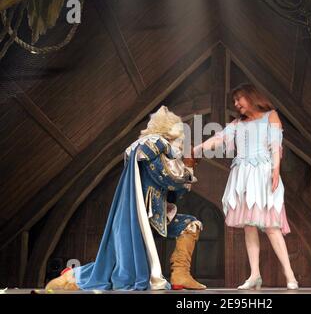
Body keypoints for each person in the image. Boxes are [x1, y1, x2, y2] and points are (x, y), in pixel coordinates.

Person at [45, 106, 206, 291]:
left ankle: (180, 275)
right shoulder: (151, 145)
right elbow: (164, 177)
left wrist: (186, 168)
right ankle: (72, 276)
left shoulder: (163, 150)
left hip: (156, 215)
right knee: (122, 271)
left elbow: (175, 192)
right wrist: (188, 168)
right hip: (139, 217)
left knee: (190, 224)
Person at [194, 83, 298, 290]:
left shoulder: (271, 116)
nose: (236, 104)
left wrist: (276, 170)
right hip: (242, 175)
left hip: (263, 174)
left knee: (271, 226)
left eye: (238, 99)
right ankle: (254, 275)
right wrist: (197, 147)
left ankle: (290, 275)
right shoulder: (237, 124)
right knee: (249, 227)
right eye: (234, 101)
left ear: (251, 97)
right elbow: (219, 138)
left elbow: (275, 145)